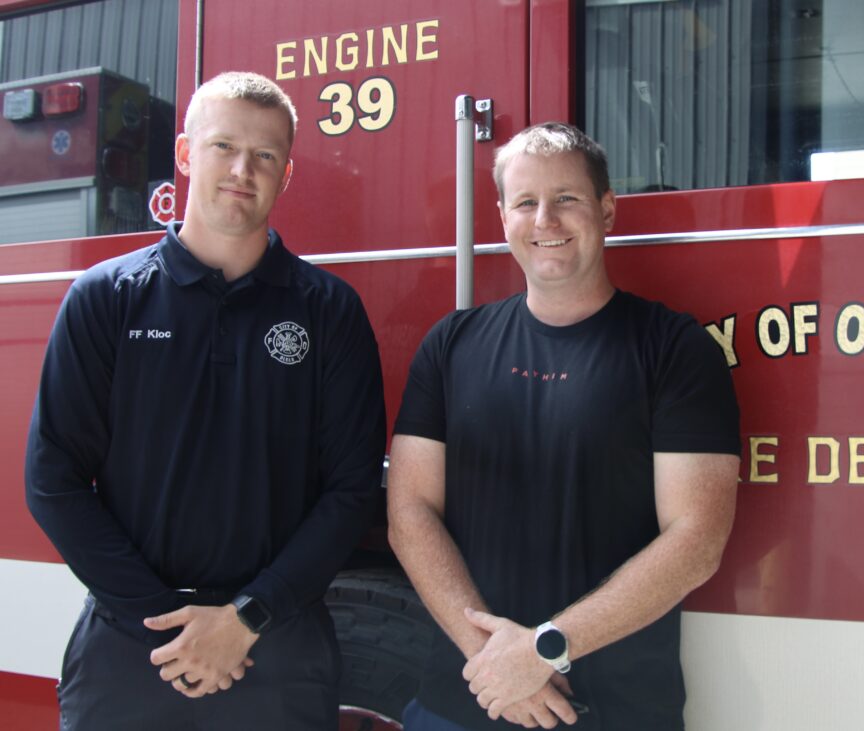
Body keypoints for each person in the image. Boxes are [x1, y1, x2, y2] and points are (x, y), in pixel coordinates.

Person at [24, 71, 386, 730]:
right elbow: (53, 481)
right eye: (224, 147)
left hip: (277, 647)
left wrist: (248, 617)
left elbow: (352, 490)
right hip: (132, 645)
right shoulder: (106, 299)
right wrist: (163, 622)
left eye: (266, 155)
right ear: (187, 154)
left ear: (287, 173)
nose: (243, 170)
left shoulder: (330, 311)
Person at [387, 122, 740, 730]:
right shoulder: (450, 345)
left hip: (612, 712)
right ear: (502, 217)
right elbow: (409, 514)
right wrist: (495, 664)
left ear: (606, 209)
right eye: (526, 202)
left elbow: (696, 541)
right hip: (463, 701)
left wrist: (544, 649)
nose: (545, 219)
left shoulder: (675, 349)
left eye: (567, 199)